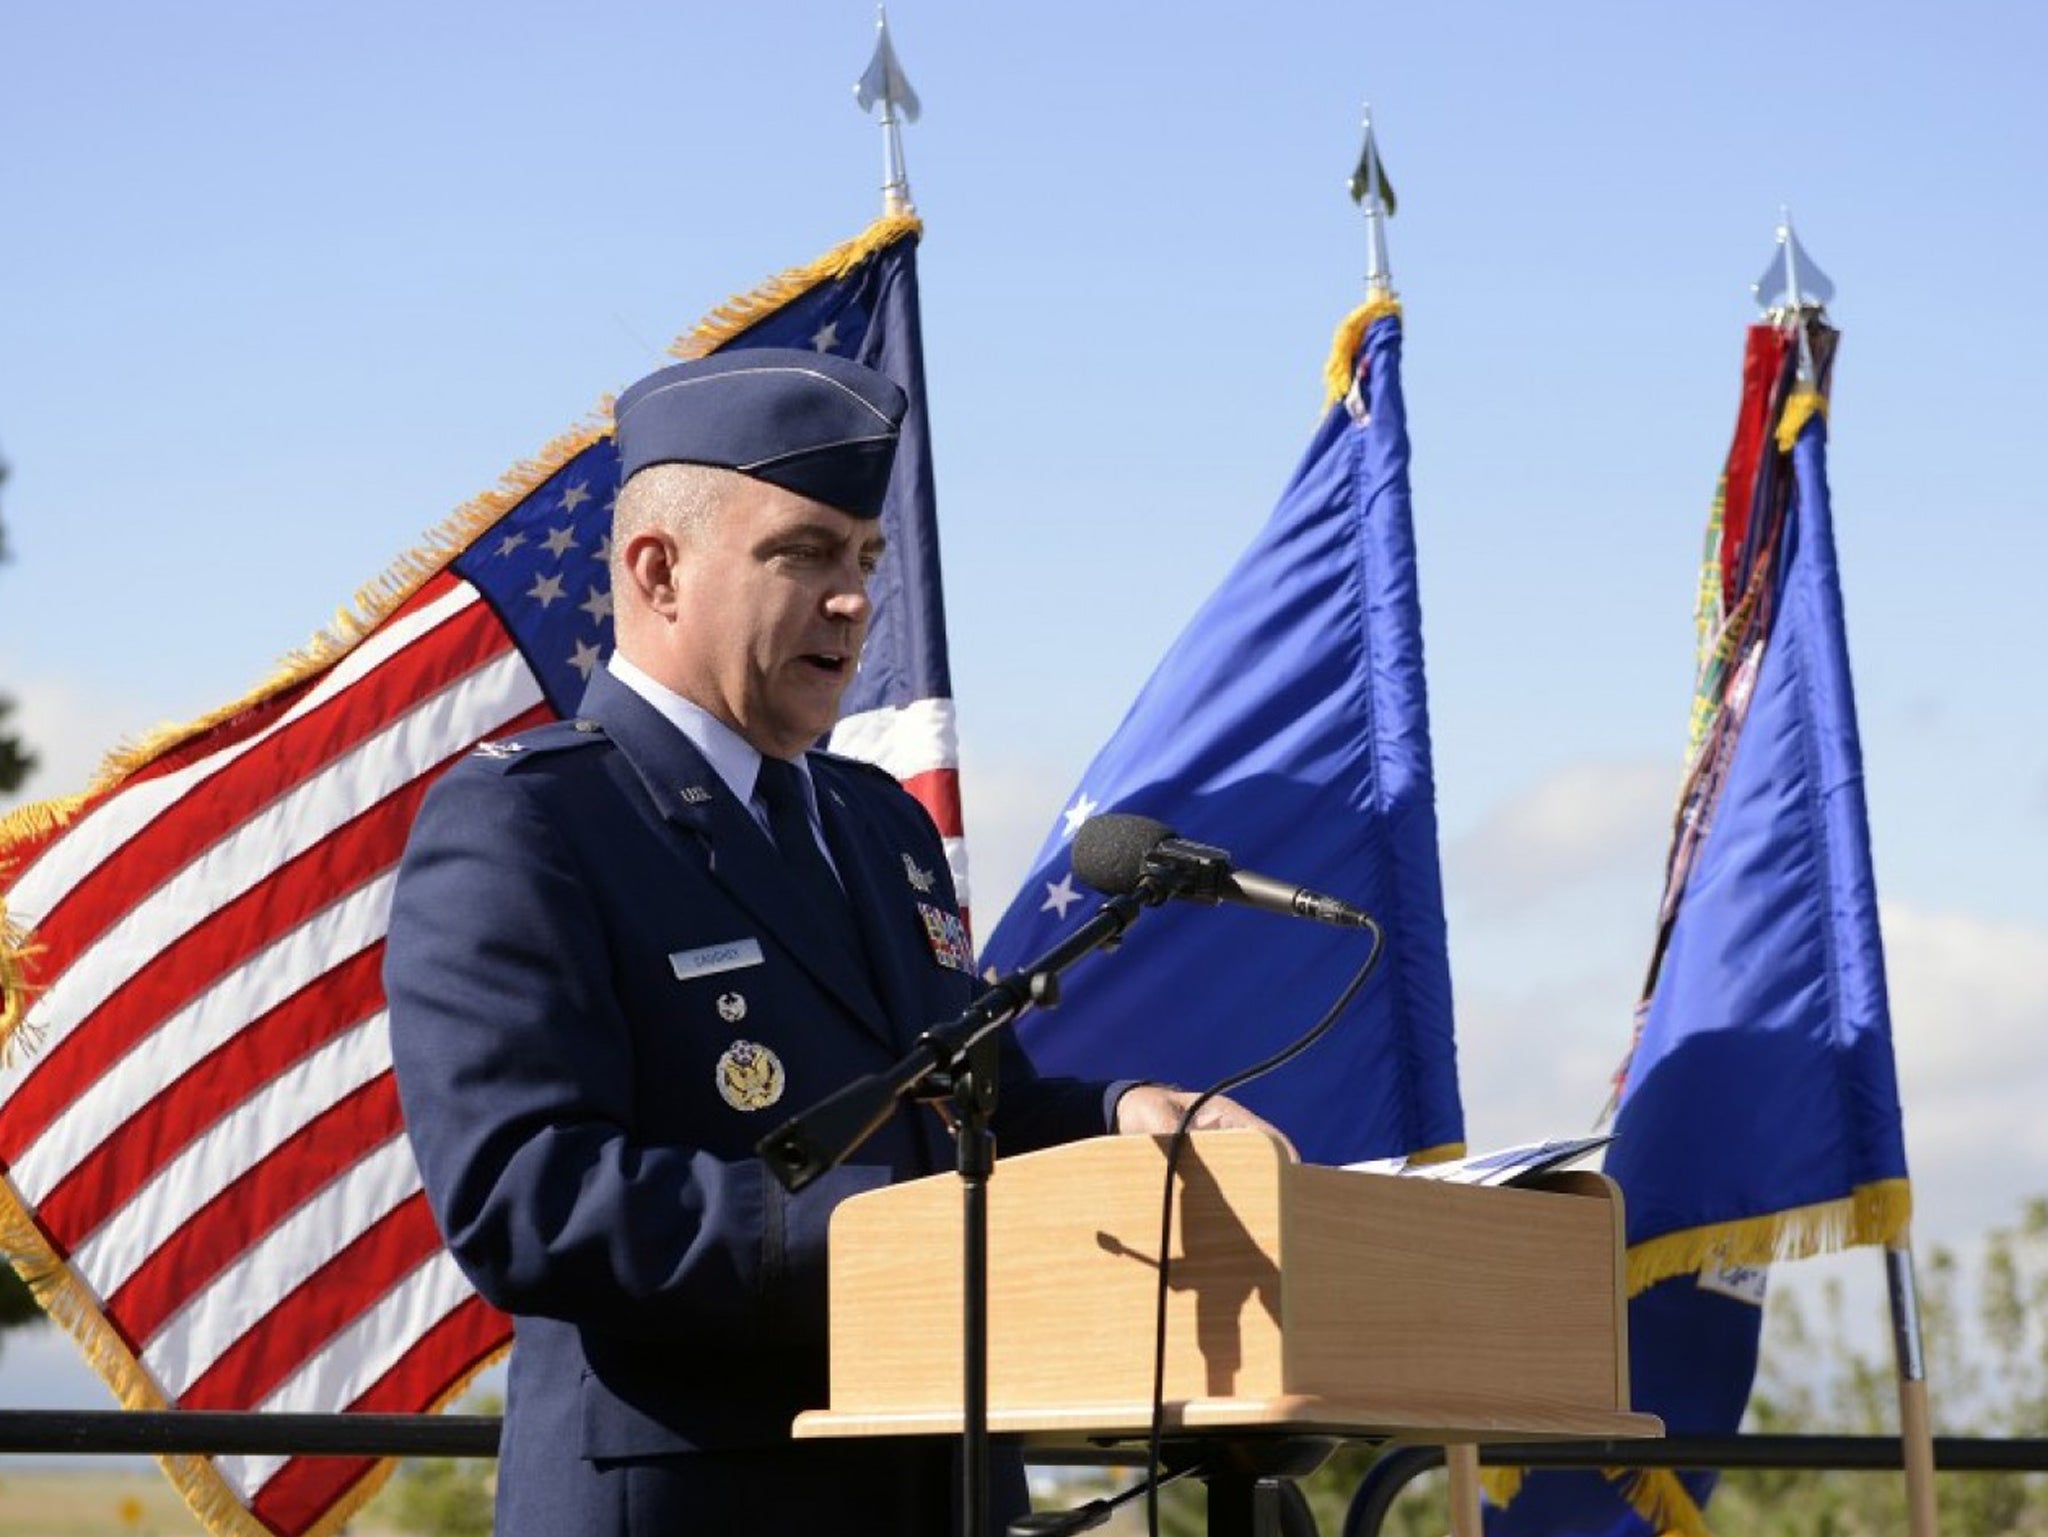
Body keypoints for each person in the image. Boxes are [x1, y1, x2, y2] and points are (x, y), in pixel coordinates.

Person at [385, 349, 1280, 1537]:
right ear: (657, 569)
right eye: (803, 553)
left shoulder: (876, 822)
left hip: (938, 1484)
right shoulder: (533, 821)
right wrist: (893, 1236)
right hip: (698, 1502)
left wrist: (1121, 1117)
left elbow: (967, 1105)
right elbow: (529, 1200)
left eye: (864, 558)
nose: (854, 599)